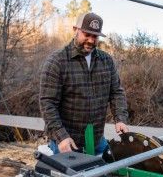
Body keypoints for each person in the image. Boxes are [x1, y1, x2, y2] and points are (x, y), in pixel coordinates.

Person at [39, 12, 129, 154]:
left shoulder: (106, 61)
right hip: (67, 143)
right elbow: (47, 104)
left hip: (96, 140)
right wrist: (61, 137)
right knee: (67, 176)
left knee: (105, 174)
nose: (91, 40)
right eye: (86, 34)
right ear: (75, 30)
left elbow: (116, 92)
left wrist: (120, 118)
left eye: (95, 36)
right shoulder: (57, 62)